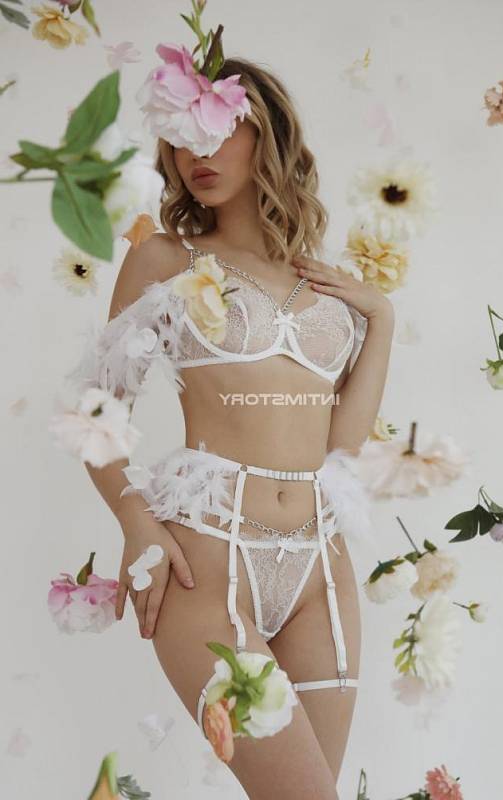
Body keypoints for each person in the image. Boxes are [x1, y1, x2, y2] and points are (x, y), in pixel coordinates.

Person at [67, 58, 395, 800]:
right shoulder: (164, 258)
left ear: (266, 138)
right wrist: (136, 522)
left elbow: (340, 450)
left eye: (216, 133)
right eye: (182, 139)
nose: (197, 155)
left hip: (319, 567)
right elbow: (97, 411)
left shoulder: (324, 285)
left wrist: (382, 318)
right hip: (207, 560)